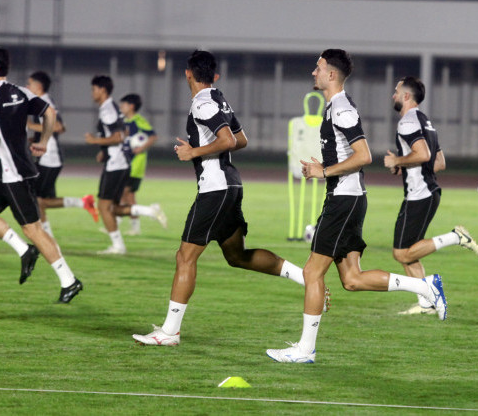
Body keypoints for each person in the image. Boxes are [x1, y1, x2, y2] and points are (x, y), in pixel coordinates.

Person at [266, 49, 447, 364]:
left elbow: (364, 155)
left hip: (344, 202)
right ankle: (424, 285)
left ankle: (305, 350)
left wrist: (324, 171)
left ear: (331, 74)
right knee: (352, 279)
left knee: (312, 272)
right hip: (347, 199)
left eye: (318, 67)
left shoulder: (342, 109)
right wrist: (323, 168)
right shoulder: (333, 108)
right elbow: (346, 156)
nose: (314, 72)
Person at [132, 49, 313, 347]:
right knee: (236, 256)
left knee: (185, 257)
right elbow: (241, 139)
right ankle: (305, 276)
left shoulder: (203, 103)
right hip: (230, 184)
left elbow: (228, 140)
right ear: (213, 74)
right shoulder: (218, 98)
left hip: (215, 188)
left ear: (188, 73)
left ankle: (169, 332)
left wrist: (193, 151)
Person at [0, 46, 82, 303]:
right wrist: (43, 141)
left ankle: (69, 281)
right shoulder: (22, 91)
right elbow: (50, 113)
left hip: (13, 176)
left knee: (33, 229)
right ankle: (24, 251)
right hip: (10, 173)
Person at [384, 76, 478, 316]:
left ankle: (456, 237)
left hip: (420, 196)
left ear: (407, 96)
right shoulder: (426, 122)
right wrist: (404, 165)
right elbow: (439, 162)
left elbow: (423, 154)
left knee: (401, 253)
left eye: (396, 91)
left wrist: (398, 160)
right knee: (410, 253)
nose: (393, 95)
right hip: (427, 193)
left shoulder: (408, 121)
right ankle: (426, 302)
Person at [85, 76, 167, 255]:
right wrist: (104, 151)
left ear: (102, 90)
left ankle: (118, 245)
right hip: (119, 162)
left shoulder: (108, 110)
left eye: (93, 89)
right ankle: (149, 211)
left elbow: (118, 137)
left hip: (116, 165)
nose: (92, 93)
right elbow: (121, 135)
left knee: (104, 207)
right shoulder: (113, 109)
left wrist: (95, 140)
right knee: (113, 207)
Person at [25, 71, 99, 238]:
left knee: (36, 199)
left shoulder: (44, 102)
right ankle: (83, 203)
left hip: (50, 158)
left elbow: (57, 127)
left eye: (29, 84)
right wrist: (35, 137)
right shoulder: (45, 102)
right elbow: (61, 127)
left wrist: (30, 125)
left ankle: (46, 237)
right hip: (47, 157)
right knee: (43, 200)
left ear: (38, 86)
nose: (27, 87)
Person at [118, 93, 158, 235]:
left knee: (128, 195)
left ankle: (135, 227)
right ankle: (120, 225)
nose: (121, 107)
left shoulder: (138, 120)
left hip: (135, 165)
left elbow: (153, 136)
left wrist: (141, 148)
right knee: (122, 194)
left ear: (131, 106)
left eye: (123, 105)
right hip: (124, 162)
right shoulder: (122, 121)